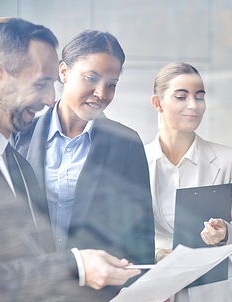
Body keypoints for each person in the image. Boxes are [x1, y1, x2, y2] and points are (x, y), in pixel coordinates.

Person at [0, 18, 162, 302]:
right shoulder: (16, 144)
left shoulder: (11, 159)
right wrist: (74, 267)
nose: (48, 98)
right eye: (41, 83)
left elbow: (138, 234)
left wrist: (128, 298)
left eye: (111, 84)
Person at [13, 29, 155, 272]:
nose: (101, 94)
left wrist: (136, 297)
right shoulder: (19, 136)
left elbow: (139, 234)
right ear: (64, 72)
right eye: (91, 78)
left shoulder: (126, 143)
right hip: (32, 288)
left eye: (111, 84)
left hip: (98, 294)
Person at [144, 62, 232, 302]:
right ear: (158, 103)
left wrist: (225, 234)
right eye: (181, 96)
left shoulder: (228, 159)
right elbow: (122, 237)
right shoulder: (138, 161)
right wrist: (158, 252)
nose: (194, 105)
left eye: (200, 96)